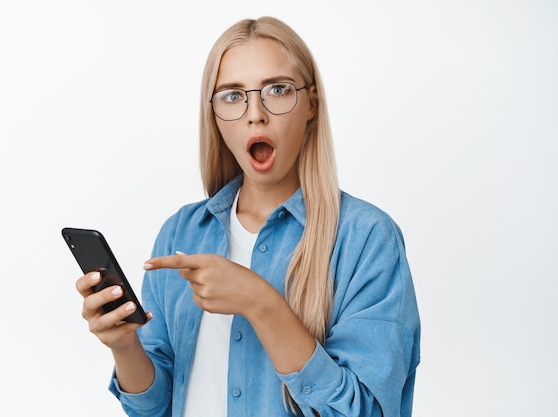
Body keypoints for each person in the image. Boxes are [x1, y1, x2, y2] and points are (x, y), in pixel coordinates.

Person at [75, 16, 420, 417]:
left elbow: (367, 411)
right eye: (233, 96)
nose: (255, 113)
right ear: (215, 116)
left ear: (311, 104)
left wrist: (262, 303)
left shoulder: (366, 239)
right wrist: (123, 345)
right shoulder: (181, 233)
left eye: (277, 90)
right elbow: (153, 408)